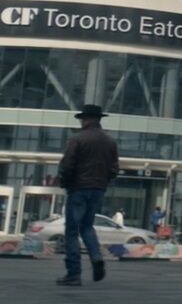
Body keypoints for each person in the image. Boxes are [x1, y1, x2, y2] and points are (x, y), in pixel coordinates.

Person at [56, 104, 119, 287]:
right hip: (98, 189)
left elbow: (67, 165)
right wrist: (103, 181)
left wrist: (65, 182)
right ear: (99, 119)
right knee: (88, 227)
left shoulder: (78, 139)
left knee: (72, 230)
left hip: (78, 188)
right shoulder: (110, 142)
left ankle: (73, 274)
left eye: (83, 119)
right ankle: (96, 257)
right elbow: (114, 168)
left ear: (86, 119)